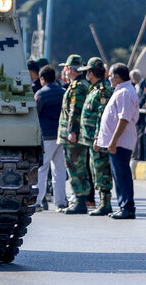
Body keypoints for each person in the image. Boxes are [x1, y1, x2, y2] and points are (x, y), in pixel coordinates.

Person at [97, 63, 139, 219]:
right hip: (117, 141)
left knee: (122, 175)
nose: (108, 79)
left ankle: (127, 207)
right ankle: (124, 206)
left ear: (117, 77)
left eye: (110, 76)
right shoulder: (121, 91)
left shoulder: (125, 93)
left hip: (121, 141)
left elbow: (124, 118)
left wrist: (113, 141)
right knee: (119, 175)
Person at [79, 58, 114, 216]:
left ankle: (105, 204)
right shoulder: (94, 89)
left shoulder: (102, 91)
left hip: (99, 140)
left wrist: (97, 138)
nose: (86, 74)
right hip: (91, 139)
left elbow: (102, 117)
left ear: (92, 73)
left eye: (87, 71)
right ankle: (102, 202)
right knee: (95, 169)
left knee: (101, 170)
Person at [57, 54, 91, 214]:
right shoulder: (81, 84)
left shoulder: (78, 86)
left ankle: (80, 200)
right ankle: (79, 199)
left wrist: (72, 131)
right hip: (75, 134)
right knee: (78, 166)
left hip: (73, 136)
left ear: (70, 69)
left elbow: (74, 111)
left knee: (75, 167)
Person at [35, 64, 67, 211]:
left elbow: (36, 115)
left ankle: (37, 201)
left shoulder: (41, 94)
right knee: (59, 169)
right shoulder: (64, 92)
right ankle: (60, 201)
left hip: (46, 136)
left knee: (42, 168)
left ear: (42, 79)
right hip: (61, 135)